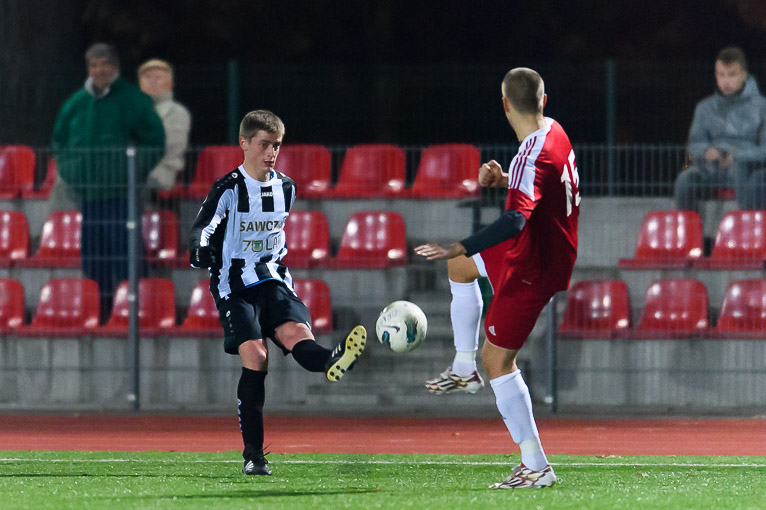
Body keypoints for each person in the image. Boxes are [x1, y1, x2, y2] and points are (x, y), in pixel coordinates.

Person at [415, 67, 579, 489]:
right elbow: (541, 187)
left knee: (498, 361)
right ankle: (462, 367)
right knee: (461, 269)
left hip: (533, 263)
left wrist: (461, 243)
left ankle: (536, 466)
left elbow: (514, 220)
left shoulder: (530, 154)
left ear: (505, 104)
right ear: (543, 101)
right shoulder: (555, 132)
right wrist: (506, 180)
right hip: (543, 248)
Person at [189, 110, 367, 477]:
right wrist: (199, 251)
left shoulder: (287, 187)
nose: (272, 152)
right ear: (244, 144)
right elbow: (202, 228)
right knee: (257, 356)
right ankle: (253, 455)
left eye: (277, 145)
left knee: (298, 335)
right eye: (265, 145)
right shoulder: (228, 188)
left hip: (273, 279)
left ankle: (333, 360)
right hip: (234, 286)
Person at [52, 43, 165, 318]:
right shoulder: (76, 104)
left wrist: (131, 170)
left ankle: (136, 313)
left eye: (105, 63)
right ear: (88, 68)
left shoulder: (133, 100)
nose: (99, 70)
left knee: (126, 255)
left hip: (122, 194)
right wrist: (73, 173)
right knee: (94, 258)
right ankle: (100, 314)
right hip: (89, 195)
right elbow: (59, 142)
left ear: (115, 67)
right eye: (94, 64)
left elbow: (155, 140)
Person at [674, 47, 766, 213]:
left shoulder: (762, 107)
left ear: (744, 74)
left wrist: (736, 155)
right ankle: (689, 227)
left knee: (754, 177)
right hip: (712, 171)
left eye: (732, 75)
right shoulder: (705, 107)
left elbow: (764, 150)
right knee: (685, 179)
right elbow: (694, 144)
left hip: (748, 171)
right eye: (721, 75)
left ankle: (746, 224)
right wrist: (706, 151)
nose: (726, 81)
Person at [137, 58, 192, 194]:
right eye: (147, 77)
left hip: (163, 171)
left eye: (158, 77)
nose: (152, 81)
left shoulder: (177, 111)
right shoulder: (134, 109)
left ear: (170, 82)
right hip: (133, 169)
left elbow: (173, 146)